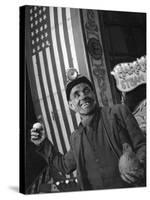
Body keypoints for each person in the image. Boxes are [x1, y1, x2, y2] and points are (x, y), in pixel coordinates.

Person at [31, 73, 146, 190]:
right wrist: (43, 143)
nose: (83, 96)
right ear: (71, 105)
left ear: (94, 94)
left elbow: (142, 145)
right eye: (76, 95)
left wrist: (138, 162)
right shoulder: (75, 138)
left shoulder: (118, 112)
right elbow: (64, 166)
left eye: (86, 91)